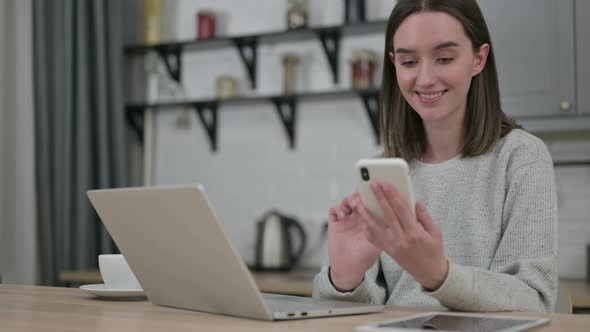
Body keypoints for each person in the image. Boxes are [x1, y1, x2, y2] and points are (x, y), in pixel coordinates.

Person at [312, 0, 558, 312]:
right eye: (409, 62)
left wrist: (439, 275)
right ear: (394, 64)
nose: (425, 79)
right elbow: (340, 314)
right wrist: (344, 278)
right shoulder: (383, 170)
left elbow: (535, 300)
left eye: (444, 58)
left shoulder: (521, 158)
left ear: (478, 59)